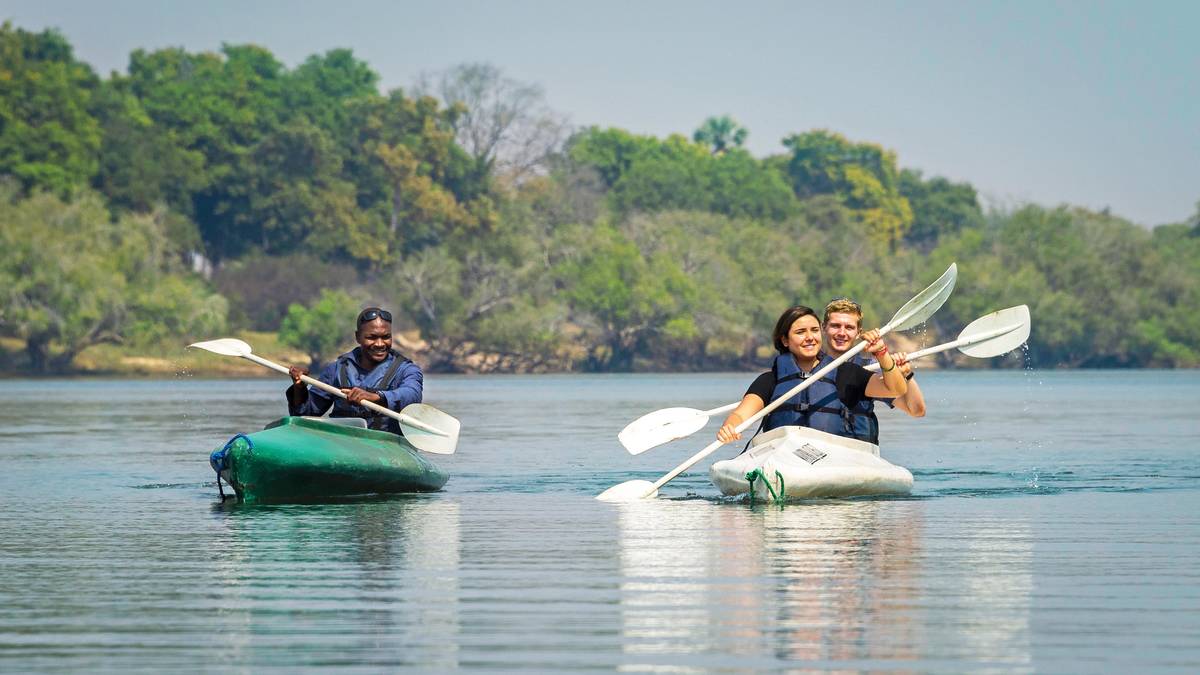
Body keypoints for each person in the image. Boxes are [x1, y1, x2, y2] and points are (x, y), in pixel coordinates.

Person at [716, 304, 906, 446]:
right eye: (800, 332)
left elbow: (895, 389)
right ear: (784, 340)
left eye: (814, 330)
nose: (810, 337)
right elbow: (740, 415)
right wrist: (729, 428)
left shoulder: (846, 373)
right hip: (784, 458)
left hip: (834, 458)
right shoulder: (770, 380)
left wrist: (882, 353)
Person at [285, 307, 423, 434]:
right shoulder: (337, 369)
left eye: (386, 337)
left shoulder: (407, 369)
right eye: (372, 337)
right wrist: (299, 387)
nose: (380, 344)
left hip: (388, 446)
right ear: (358, 337)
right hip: (342, 444)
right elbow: (304, 415)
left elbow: (412, 395)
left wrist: (375, 397)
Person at [822, 297, 926, 418]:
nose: (842, 333)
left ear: (858, 333)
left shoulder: (870, 369)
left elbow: (917, 410)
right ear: (824, 327)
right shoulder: (809, 364)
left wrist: (906, 375)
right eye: (835, 326)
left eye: (849, 327)